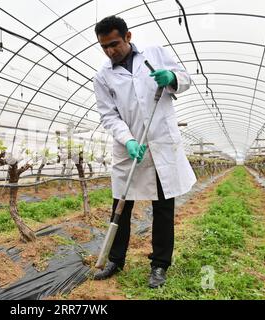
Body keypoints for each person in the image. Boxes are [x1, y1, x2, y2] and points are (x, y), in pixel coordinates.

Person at [92, 15, 196, 288]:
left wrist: (172, 76)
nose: (110, 51)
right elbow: (108, 116)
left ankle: (159, 265)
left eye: (114, 44)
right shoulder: (103, 76)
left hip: (161, 145)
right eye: (104, 47)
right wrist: (127, 140)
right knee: (121, 207)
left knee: (163, 209)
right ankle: (116, 260)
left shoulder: (155, 54)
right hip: (130, 149)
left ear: (128, 37)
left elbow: (186, 78)